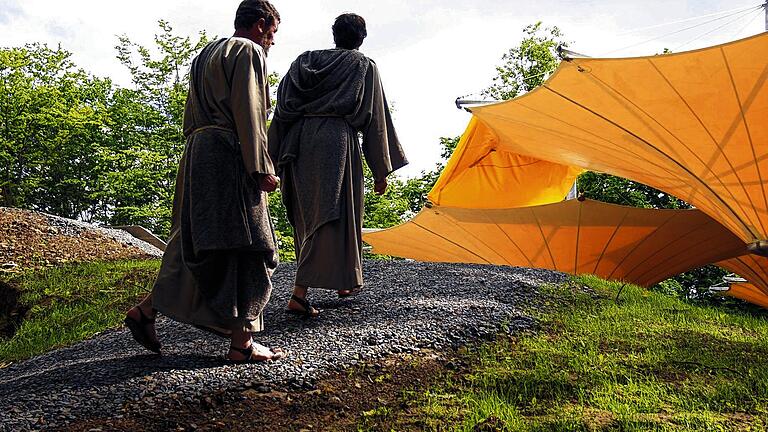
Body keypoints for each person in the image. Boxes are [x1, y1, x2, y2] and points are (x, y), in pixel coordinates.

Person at [124, 0, 284, 363]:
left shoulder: (206, 54)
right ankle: (242, 344)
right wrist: (260, 166)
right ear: (260, 25)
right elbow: (250, 111)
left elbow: (190, 114)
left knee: (198, 239)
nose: (272, 42)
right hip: (229, 152)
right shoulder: (248, 51)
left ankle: (147, 310)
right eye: (273, 33)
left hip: (198, 150)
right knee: (252, 244)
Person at [268, 13, 407, 317]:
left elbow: (283, 107)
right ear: (361, 38)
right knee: (334, 213)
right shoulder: (363, 65)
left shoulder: (305, 61)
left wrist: (269, 156)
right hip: (336, 142)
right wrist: (380, 169)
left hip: (298, 141)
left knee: (308, 215)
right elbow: (375, 117)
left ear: (334, 34)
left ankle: (344, 281)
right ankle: (299, 294)